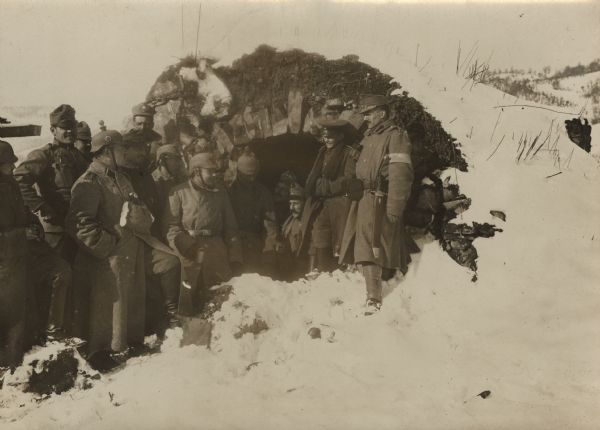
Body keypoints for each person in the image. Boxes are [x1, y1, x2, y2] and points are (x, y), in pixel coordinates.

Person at [67, 130, 174, 370]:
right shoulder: (88, 182)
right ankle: (101, 349)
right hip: (106, 256)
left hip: (130, 247)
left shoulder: (120, 178)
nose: (124, 152)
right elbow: (79, 223)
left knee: (133, 295)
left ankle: (131, 340)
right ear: (106, 152)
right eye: (120, 149)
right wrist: (108, 245)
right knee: (107, 303)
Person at [339, 94, 414, 315]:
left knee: (371, 245)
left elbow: (401, 176)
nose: (366, 119)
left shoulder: (396, 136)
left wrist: (394, 208)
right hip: (364, 198)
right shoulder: (370, 137)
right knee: (364, 243)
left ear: (381, 113)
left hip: (379, 199)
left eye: (369, 114)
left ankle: (374, 296)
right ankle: (371, 286)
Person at [163, 152, 242, 317]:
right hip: (189, 252)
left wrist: (235, 257)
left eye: (215, 171)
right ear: (196, 171)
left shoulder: (220, 192)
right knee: (188, 303)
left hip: (216, 252)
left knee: (223, 302)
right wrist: (185, 245)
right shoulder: (178, 193)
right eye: (210, 171)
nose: (214, 175)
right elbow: (171, 227)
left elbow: (231, 227)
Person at [119, 129, 182, 333]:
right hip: (126, 240)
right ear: (125, 150)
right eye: (138, 148)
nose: (144, 152)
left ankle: (170, 316)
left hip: (148, 237)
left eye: (145, 148)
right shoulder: (119, 176)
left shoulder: (144, 173)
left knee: (171, 262)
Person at [13, 104, 88, 263]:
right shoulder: (44, 155)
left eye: (72, 126)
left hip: (80, 227)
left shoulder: (78, 156)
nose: (70, 131)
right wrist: (40, 206)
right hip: (56, 230)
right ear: (53, 130)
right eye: (64, 127)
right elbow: (18, 180)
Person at [302, 118, 358, 272]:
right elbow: (315, 176)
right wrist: (316, 187)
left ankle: (341, 270)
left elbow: (349, 179)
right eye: (325, 136)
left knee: (340, 237)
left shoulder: (347, 153)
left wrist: (325, 187)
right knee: (320, 230)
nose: (327, 140)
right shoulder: (323, 152)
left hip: (341, 202)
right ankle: (323, 269)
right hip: (324, 202)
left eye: (331, 137)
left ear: (340, 137)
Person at [227, 152, 278, 275]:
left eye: (254, 175)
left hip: (253, 248)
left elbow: (270, 227)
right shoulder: (227, 191)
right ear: (238, 172)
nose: (251, 179)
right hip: (229, 246)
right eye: (247, 175)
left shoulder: (263, 193)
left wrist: (268, 255)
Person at [277, 183, 309, 281]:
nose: (291, 208)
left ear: (304, 203)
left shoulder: (308, 223)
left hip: (303, 272)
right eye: (290, 204)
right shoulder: (289, 222)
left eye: (295, 204)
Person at [152, 144, 186, 218]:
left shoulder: (179, 178)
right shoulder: (153, 181)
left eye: (179, 159)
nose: (178, 163)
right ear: (162, 161)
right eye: (175, 159)